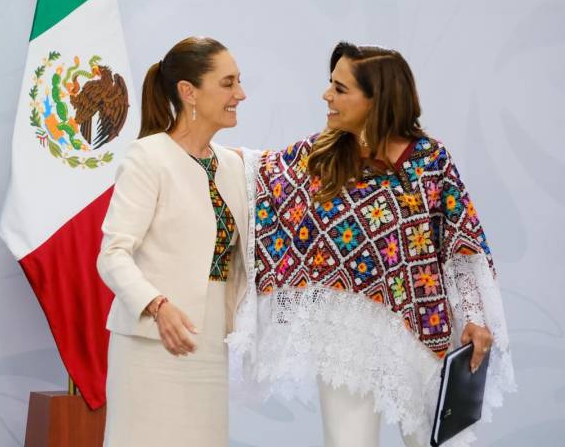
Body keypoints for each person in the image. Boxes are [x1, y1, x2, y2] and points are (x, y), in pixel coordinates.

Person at [228, 42, 515, 447]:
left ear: (377, 98)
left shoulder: (430, 161)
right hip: (346, 331)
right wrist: (187, 146)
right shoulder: (323, 155)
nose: (326, 95)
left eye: (340, 88)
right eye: (330, 84)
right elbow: (257, 172)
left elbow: (461, 243)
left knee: (434, 440)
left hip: (422, 327)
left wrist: (473, 315)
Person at [97, 36, 248, 447]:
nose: (240, 94)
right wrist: (157, 306)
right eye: (228, 83)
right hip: (152, 344)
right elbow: (112, 255)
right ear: (188, 91)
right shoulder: (147, 157)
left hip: (210, 344)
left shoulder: (233, 166)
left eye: (239, 81)